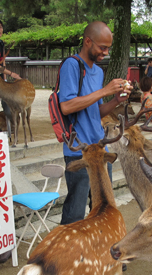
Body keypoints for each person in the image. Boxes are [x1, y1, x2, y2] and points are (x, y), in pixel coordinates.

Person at [58, 21, 131, 225]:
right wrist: (105, 91)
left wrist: (116, 100)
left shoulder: (98, 72)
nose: (105, 52)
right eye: (102, 47)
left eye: (108, 48)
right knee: (75, 213)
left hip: (100, 148)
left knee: (102, 208)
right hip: (79, 150)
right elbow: (67, 106)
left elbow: (96, 110)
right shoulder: (71, 65)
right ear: (88, 41)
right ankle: (68, 254)